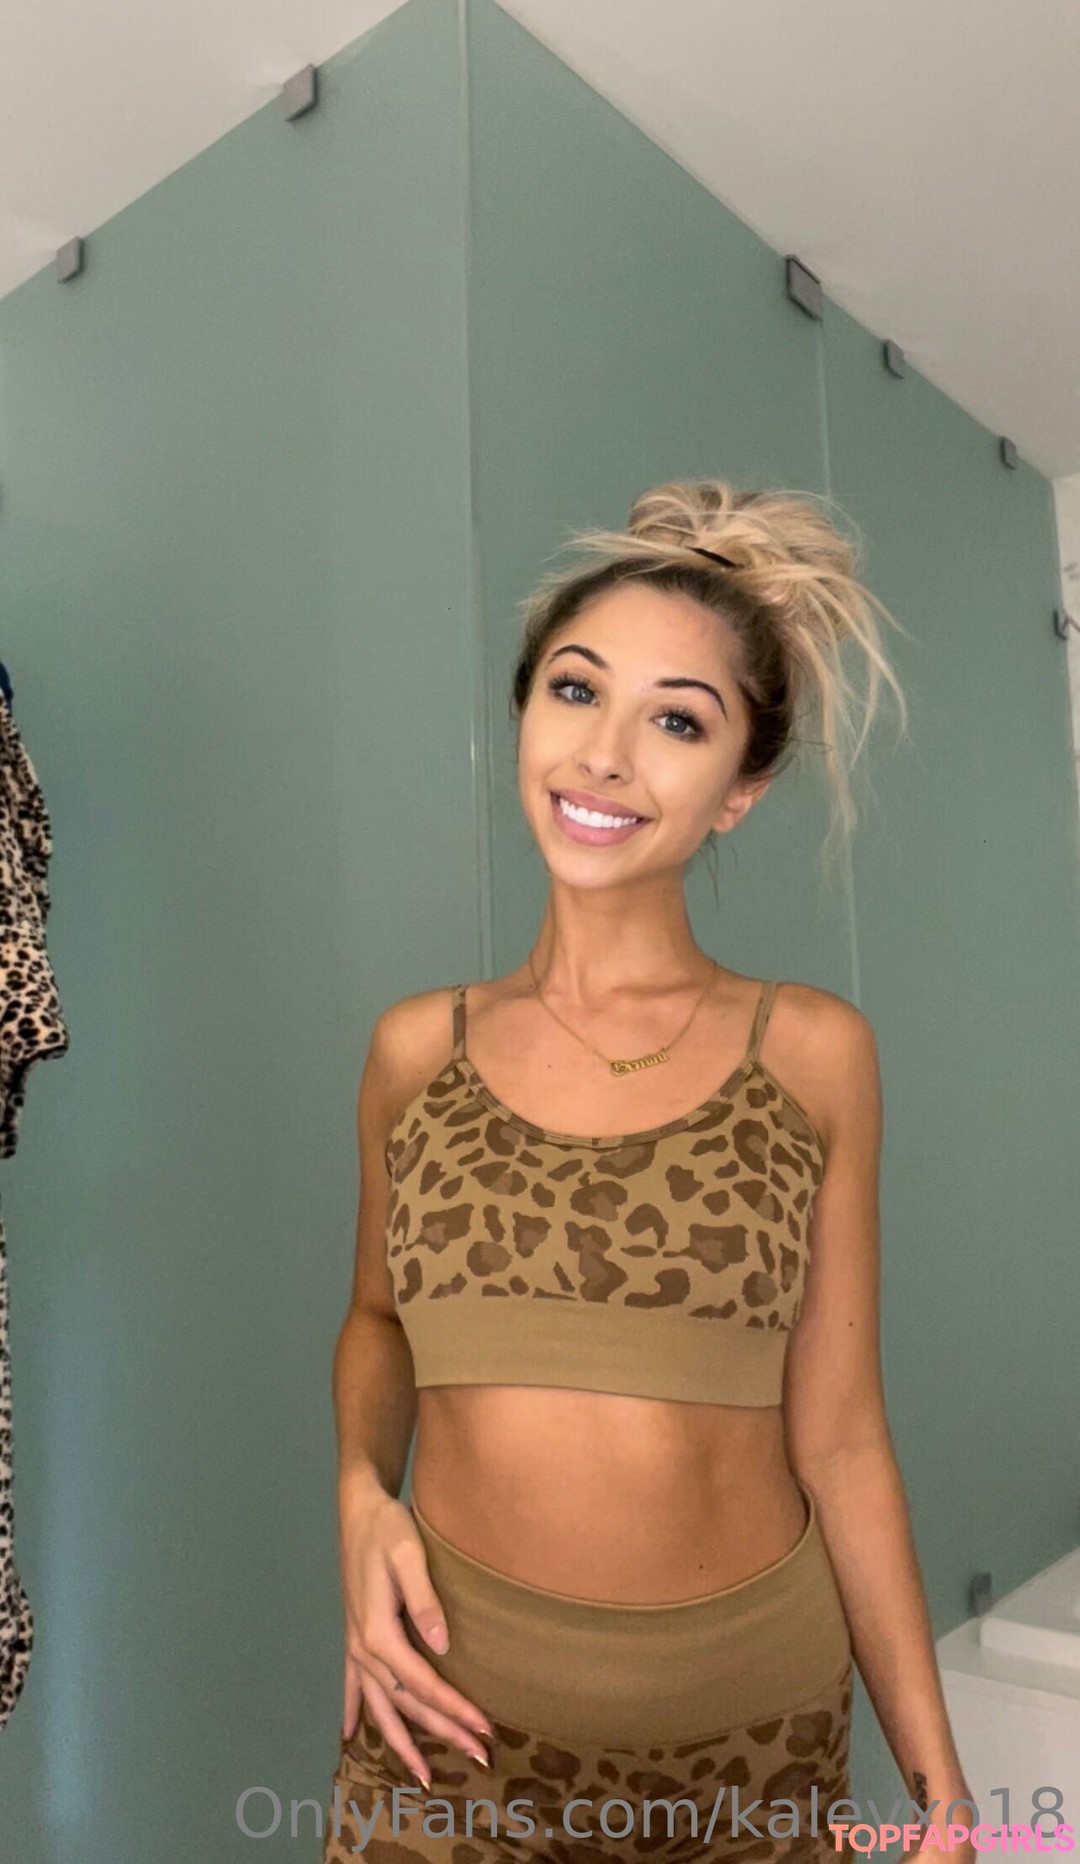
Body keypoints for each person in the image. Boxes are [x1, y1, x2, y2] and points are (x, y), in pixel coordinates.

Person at [321, 479, 977, 1862]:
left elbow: (844, 1437)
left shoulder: (812, 1053)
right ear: (524, 716)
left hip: (749, 1753)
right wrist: (359, 1498)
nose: (607, 754)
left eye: (678, 720)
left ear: (741, 791)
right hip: (443, 1740)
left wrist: (942, 1792)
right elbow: (379, 1322)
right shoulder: (413, 1051)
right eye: (577, 690)